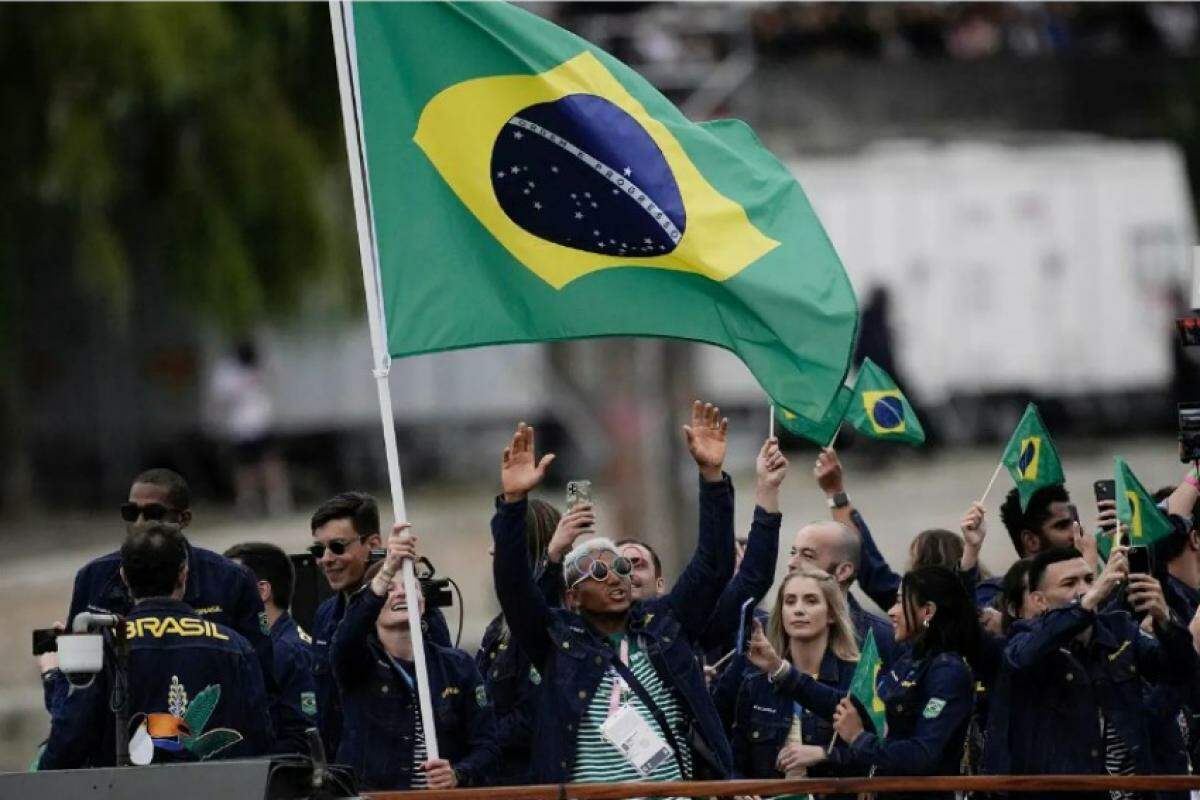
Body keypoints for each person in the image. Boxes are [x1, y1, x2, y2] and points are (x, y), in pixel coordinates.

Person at [491, 403, 736, 784]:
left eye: (622, 567)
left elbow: (714, 565)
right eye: (599, 571)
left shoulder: (666, 625)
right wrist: (512, 505)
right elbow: (513, 586)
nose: (616, 577)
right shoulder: (557, 641)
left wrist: (712, 475)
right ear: (572, 597)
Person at [62, 469, 297, 749]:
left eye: (153, 513)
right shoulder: (94, 577)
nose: (140, 523)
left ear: (183, 519)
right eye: (131, 513)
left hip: (206, 741)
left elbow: (260, 679)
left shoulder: (228, 580)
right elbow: (75, 686)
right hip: (118, 742)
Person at [39, 523, 273, 768]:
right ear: (183, 573)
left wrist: (52, 674)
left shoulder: (99, 648)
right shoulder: (236, 647)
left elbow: (67, 741)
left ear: (123, 576)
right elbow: (260, 738)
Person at [982, 546, 1198, 798]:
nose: (1084, 589)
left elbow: (1183, 673)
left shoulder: (1119, 629)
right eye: (1069, 583)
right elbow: (1020, 658)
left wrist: (1165, 620)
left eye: (1088, 580)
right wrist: (1084, 607)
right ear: (1039, 600)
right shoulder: (1025, 638)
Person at [755, 566, 978, 800]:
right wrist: (779, 669)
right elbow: (855, 706)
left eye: (901, 602)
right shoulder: (912, 659)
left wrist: (859, 738)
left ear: (928, 611)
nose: (892, 612)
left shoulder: (947, 671)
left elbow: (922, 756)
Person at [332, 525, 497, 790]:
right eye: (389, 589)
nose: (399, 592)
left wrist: (458, 774)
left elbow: (488, 745)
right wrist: (387, 569)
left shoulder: (457, 666)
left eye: (409, 586)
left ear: (422, 602)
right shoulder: (359, 662)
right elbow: (346, 636)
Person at [310, 491, 452, 758]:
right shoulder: (325, 615)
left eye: (338, 547)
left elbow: (441, 694)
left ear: (374, 543)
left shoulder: (411, 610)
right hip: (342, 769)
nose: (326, 559)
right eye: (319, 550)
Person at [619, 437, 787, 661]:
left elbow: (743, 574)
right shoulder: (575, 632)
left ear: (660, 585)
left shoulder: (682, 622)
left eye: (639, 565)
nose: (629, 571)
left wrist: (763, 487)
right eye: (619, 566)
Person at [716, 566, 862, 782]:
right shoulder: (755, 681)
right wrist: (739, 790)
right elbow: (735, 761)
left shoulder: (856, 677)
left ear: (831, 613)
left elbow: (876, 755)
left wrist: (824, 754)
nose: (798, 610)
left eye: (811, 601)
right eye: (790, 601)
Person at [814, 447, 992, 608]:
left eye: (913, 563)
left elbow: (870, 567)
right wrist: (835, 492)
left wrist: (835, 492)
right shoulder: (906, 609)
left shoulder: (917, 612)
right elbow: (869, 564)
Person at [476, 498, 565, 785]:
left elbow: (532, 717)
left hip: (534, 780)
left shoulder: (562, 624)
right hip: (494, 778)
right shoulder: (496, 629)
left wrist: (479, 743)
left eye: (500, 543)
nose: (491, 551)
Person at [223, 542, 319, 731]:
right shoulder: (261, 646)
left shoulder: (291, 652)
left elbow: (305, 734)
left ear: (262, 592)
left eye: (229, 584)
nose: (220, 594)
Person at [787, 518, 897, 665]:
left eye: (807, 556)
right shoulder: (766, 632)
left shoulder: (880, 640)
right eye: (793, 552)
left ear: (843, 571)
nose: (792, 563)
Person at [206, 340, 290, 516]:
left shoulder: (261, 365)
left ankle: (278, 502)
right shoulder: (227, 372)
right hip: (240, 426)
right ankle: (249, 503)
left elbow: (274, 379)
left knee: (271, 463)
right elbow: (221, 397)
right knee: (245, 468)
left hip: (263, 420)